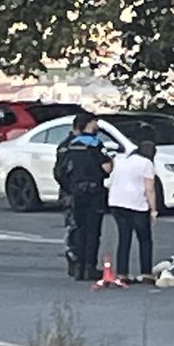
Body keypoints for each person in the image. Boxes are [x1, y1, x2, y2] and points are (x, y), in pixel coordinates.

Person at [60, 113, 112, 282]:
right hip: (94, 191)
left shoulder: (71, 145)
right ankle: (89, 266)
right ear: (88, 124)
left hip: (76, 192)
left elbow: (62, 171)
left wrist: (69, 188)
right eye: (94, 122)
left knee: (80, 229)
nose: (97, 125)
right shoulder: (96, 144)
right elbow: (107, 168)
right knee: (93, 231)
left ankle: (78, 267)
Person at [108, 139, 158, 283]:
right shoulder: (146, 164)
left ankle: (122, 273)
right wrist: (153, 210)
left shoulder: (123, 161)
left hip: (117, 203)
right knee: (144, 239)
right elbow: (150, 189)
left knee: (124, 238)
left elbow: (110, 183)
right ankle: (146, 272)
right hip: (136, 204)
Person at [55, 112, 88, 275]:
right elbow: (60, 172)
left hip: (72, 192)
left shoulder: (67, 144)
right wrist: (70, 190)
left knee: (78, 227)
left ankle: (78, 261)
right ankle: (74, 258)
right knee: (74, 227)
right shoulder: (69, 146)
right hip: (71, 193)